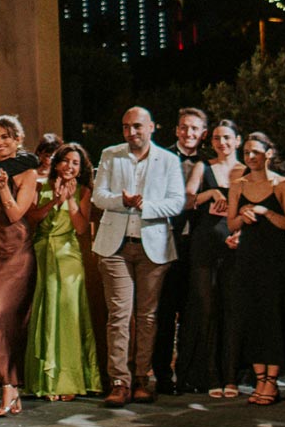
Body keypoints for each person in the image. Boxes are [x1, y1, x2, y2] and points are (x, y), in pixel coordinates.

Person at [93, 106, 187, 405]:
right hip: (115, 246)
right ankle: (119, 381)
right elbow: (98, 196)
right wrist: (121, 201)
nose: (131, 132)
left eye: (136, 126)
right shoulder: (111, 155)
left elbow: (177, 202)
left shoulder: (168, 160)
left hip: (152, 246)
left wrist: (147, 205)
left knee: (147, 316)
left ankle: (143, 378)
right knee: (119, 315)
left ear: (151, 127)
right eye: (126, 127)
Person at [224, 131, 285, 404]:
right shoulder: (238, 185)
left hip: (275, 258)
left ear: (268, 153)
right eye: (246, 152)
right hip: (248, 258)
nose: (251, 157)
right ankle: (259, 379)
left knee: (273, 317)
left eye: (256, 151)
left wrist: (266, 212)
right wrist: (242, 217)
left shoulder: (282, 184)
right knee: (252, 316)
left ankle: (272, 381)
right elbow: (231, 224)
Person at [24, 141, 102, 400]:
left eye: (75, 163)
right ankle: (46, 381)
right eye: (66, 161)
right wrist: (54, 200)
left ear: (81, 169)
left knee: (69, 316)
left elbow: (81, 228)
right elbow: (32, 218)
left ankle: (69, 381)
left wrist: (69, 200)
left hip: (69, 256)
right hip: (42, 252)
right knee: (45, 313)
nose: (70, 166)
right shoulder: (40, 185)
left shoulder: (84, 191)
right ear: (56, 163)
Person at [0, 114, 41, 417]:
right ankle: (10, 388)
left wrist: (3, 187)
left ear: (18, 140)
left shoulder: (27, 172)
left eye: (6, 137)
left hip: (17, 253)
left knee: (7, 318)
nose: (0, 143)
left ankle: (8, 386)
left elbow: (15, 214)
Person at [179, 116, 241, 400]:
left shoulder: (245, 170)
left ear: (237, 141)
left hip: (235, 246)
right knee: (206, 310)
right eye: (217, 138)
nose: (222, 142)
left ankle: (232, 377)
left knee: (232, 310)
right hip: (205, 244)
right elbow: (186, 199)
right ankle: (211, 375)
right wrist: (211, 193)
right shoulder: (203, 167)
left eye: (227, 137)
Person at [155, 106, 208, 394]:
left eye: (194, 128)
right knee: (164, 313)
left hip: (198, 245)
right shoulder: (160, 158)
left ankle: (189, 374)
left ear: (203, 134)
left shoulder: (209, 162)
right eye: (184, 127)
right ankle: (163, 375)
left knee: (193, 313)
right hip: (166, 242)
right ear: (177, 130)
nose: (189, 133)